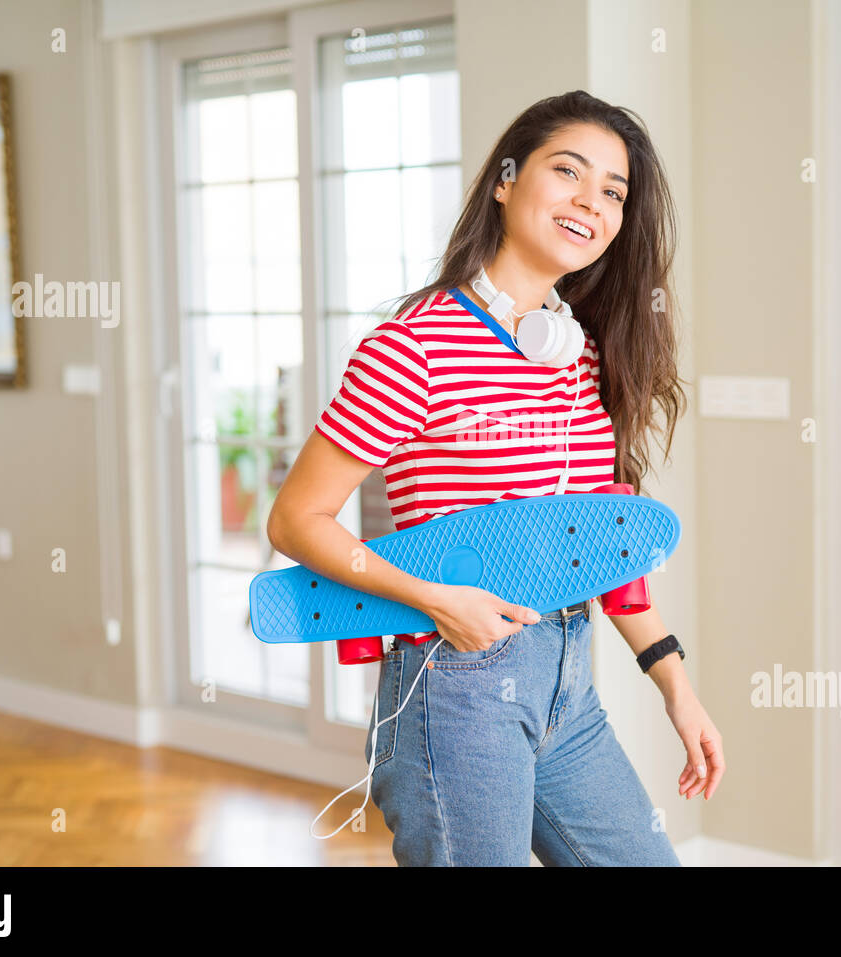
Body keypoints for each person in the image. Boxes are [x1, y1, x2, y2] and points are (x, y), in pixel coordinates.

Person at [267, 90, 723, 866]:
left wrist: (674, 682)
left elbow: (591, 543)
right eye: (569, 171)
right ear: (506, 181)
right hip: (457, 687)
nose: (592, 200)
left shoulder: (577, 356)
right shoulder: (413, 347)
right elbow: (296, 519)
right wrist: (440, 600)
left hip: (566, 683)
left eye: (613, 191)